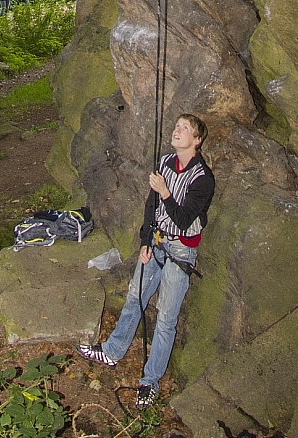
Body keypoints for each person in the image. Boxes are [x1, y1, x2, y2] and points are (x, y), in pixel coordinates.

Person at [78, 113, 214, 408]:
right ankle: (113, 351)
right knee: (134, 297)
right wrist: (145, 241)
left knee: (166, 318)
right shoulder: (165, 162)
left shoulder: (203, 179)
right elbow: (150, 205)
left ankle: (149, 381)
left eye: (184, 129)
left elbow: (181, 219)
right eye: (177, 126)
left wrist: (165, 191)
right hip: (156, 243)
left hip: (181, 251)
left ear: (197, 140)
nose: (177, 131)